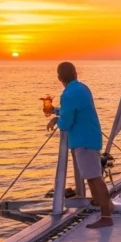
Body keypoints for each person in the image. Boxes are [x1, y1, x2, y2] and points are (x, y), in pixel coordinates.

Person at [46, 62, 113, 229]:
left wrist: (57, 120)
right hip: (91, 137)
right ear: (76, 73)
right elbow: (73, 110)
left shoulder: (68, 94)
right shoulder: (82, 88)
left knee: (95, 178)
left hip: (83, 141)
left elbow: (66, 123)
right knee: (91, 176)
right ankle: (102, 205)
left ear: (59, 77)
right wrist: (55, 111)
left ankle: (106, 215)